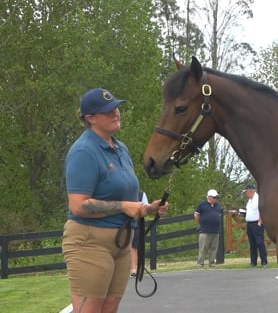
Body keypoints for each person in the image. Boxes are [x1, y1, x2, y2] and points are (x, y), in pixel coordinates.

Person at [62, 88, 169, 313]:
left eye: (116, 107)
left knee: (110, 307)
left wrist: (148, 208)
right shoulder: (84, 151)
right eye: (107, 111)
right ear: (90, 118)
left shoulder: (120, 149)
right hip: (89, 241)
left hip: (121, 242)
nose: (116, 113)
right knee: (89, 308)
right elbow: (78, 205)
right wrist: (123, 206)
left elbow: (126, 196)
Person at [194, 188, 223, 267]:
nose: (215, 199)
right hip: (205, 230)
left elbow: (219, 215)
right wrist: (199, 224)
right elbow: (196, 215)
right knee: (203, 247)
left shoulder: (217, 206)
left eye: (216, 197)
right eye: (214, 197)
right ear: (209, 197)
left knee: (214, 247)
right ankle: (200, 262)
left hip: (215, 230)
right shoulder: (202, 204)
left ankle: (212, 262)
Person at [244, 184, 268, 269]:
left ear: (250, 191)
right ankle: (253, 261)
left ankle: (264, 261)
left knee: (259, 242)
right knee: (252, 243)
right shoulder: (250, 200)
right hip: (250, 223)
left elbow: (262, 210)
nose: (246, 194)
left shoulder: (258, 199)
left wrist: (260, 221)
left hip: (256, 223)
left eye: (246, 192)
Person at [130, 189, 149, 277]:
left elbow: (145, 210)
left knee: (134, 247)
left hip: (136, 224)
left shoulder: (141, 194)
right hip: (120, 225)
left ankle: (134, 268)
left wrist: (140, 209)